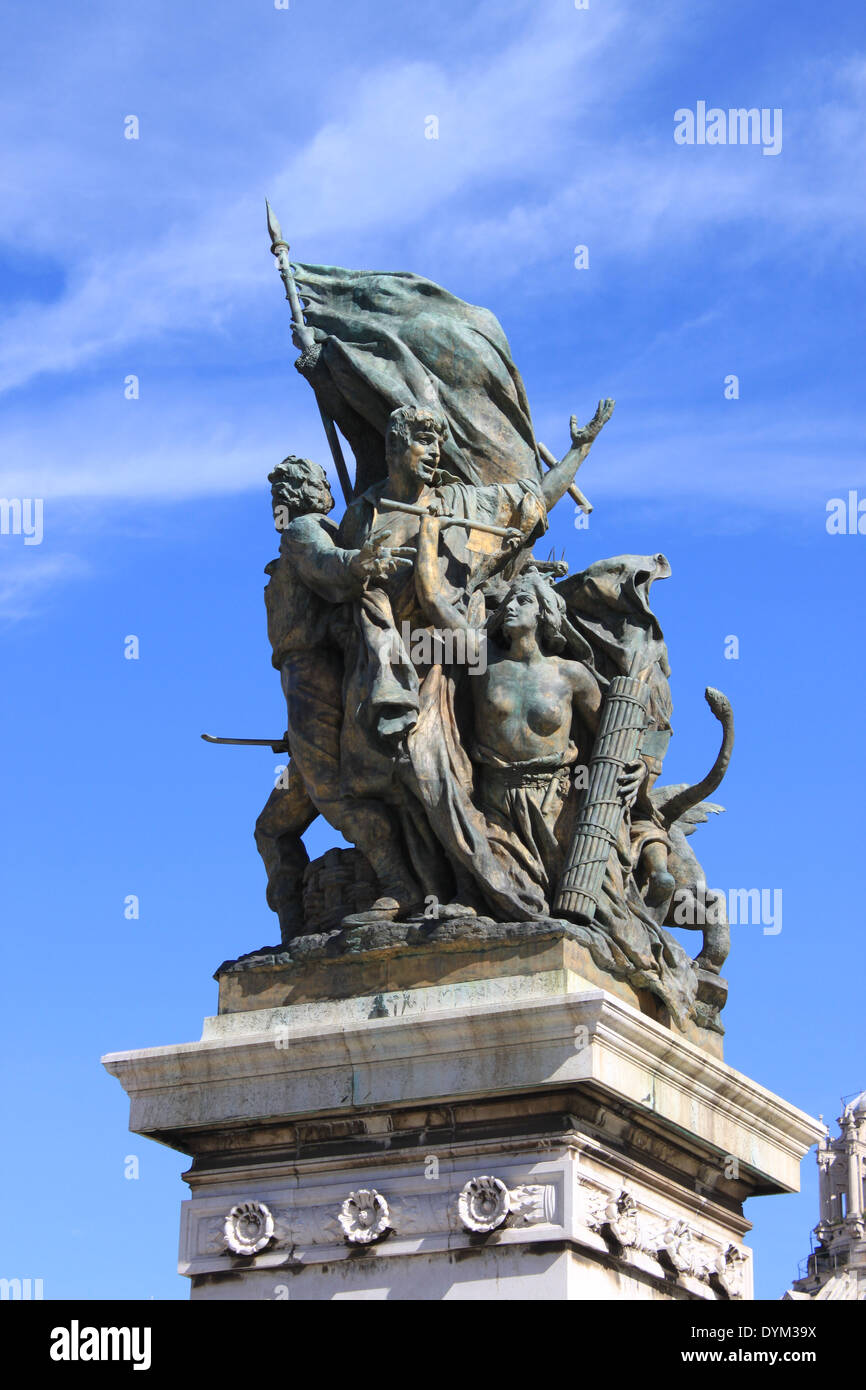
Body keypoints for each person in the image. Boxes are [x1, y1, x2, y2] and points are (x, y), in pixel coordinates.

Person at [254, 456, 423, 939]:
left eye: (284, 492)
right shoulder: (323, 530)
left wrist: (357, 563)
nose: (278, 504)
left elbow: (323, 565)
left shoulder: (304, 530)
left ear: (304, 495)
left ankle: (398, 884)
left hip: (308, 677)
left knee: (331, 795)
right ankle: (295, 930)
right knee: (273, 825)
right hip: (307, 686)